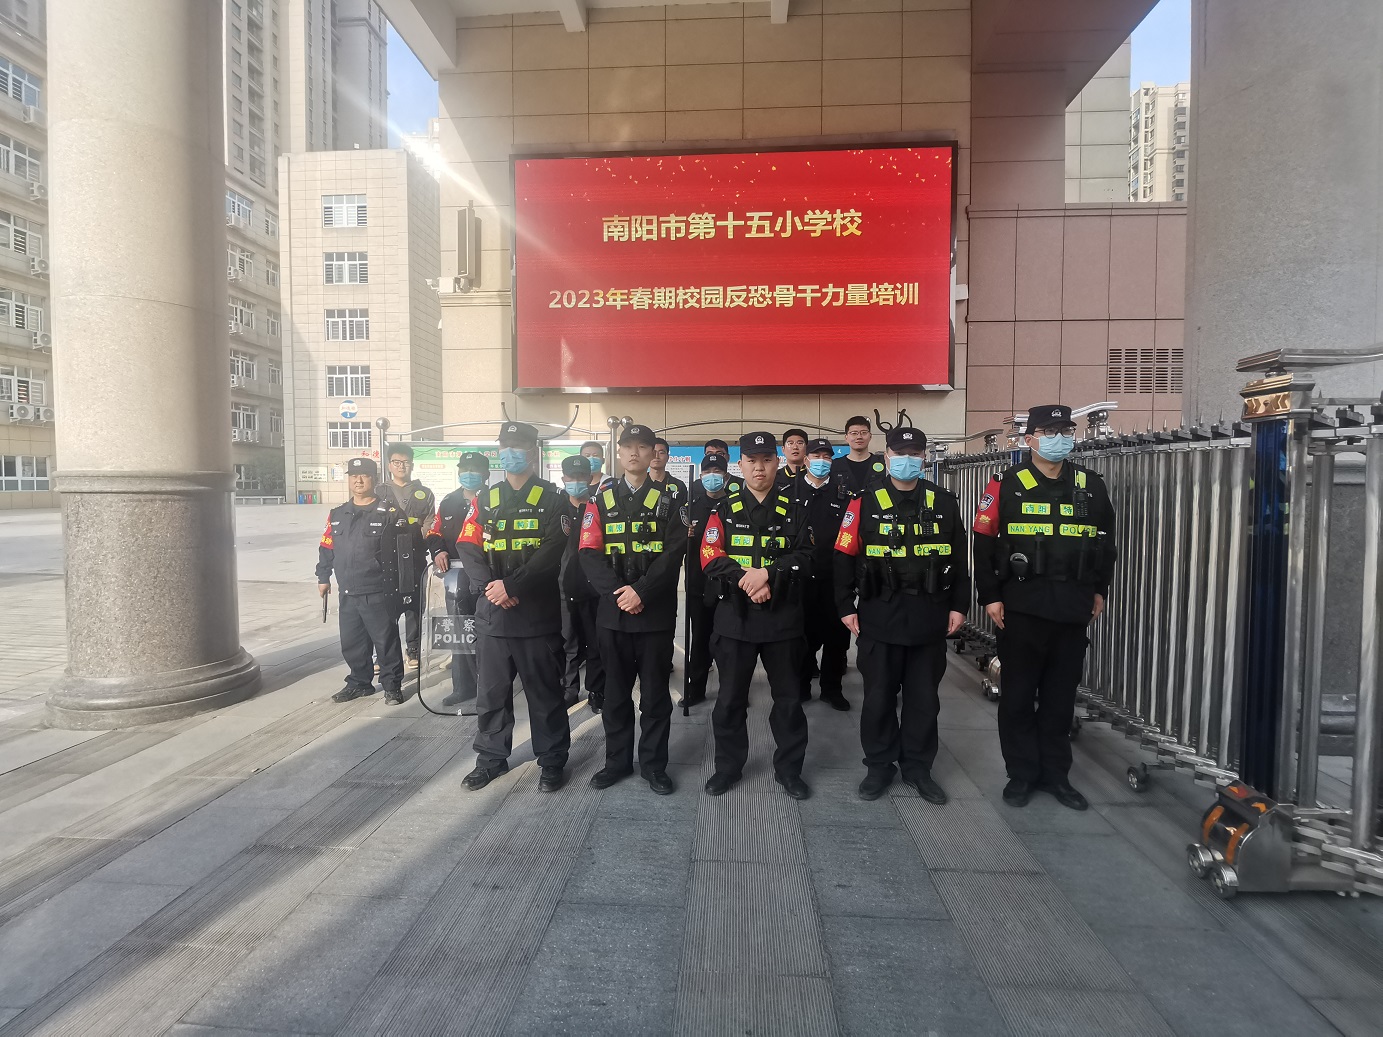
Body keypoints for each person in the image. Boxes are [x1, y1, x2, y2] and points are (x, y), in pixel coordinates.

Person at [973, 404, 1117, 811]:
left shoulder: (1091, 484)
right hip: (1021, 608)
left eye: (1065, 431)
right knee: (1017, 697)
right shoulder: (1004, 484)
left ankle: (1056, 776)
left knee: (1059, 699)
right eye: (1049, 432)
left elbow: (1105, 542)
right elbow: (983, 545)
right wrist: (990, 596)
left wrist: (1100, 590)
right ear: (1029, 439)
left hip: (1072, 607)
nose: (1059, 438)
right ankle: (1021, 774)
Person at [835, 426, 970, 802]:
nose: (907, 459)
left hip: (929, 615)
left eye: (915, 453)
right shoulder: (863, 502)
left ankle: (918, 767)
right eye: (900, 453)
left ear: (924, 458)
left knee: (924, 699)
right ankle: (879, 766)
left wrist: (959, 605)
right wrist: (844, 606)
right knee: (878, 697)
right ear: (887, 457)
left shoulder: (943, 501)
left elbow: (960, 558)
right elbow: (843, 556)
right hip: (880, 613)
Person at [456, 421, 572, 793]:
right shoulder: (486, 499)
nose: (511, 453)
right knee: (491, 695)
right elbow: (467, 545)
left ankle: (552, 760)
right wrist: (492, 588)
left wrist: (512, 585)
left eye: (518, 446)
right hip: (493, 615)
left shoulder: (554, 499)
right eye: (505, 447)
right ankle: (491, 760)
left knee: (545, 695)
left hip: (535, 616)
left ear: (533, 451)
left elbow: (551, 552)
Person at [700, 432, 813, 800]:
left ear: (777, 463)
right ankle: (727, 768)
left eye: (766, 459)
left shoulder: (796, 508)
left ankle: (789, 770)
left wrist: (768, 574)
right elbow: (709, 557)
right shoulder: (723, 509)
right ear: (741, 465)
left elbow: (807, 557)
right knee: (729, 701)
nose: (759, 467)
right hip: (735, 620)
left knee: (789, 702)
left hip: (783, 620)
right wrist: (747, 580)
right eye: (751, 460)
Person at [579, 423, 689, 795]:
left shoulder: (671, 500)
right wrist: (619, 594)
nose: (634, 453)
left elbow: (673, 553)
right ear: (619, 452)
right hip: (613, 615)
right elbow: (589, 552)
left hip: (654, 614)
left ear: (652, 453)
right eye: (628, 446)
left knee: (656, 697)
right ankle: (616, 763)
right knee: (615, 695)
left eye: (643, 447)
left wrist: (640, 591)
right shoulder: (600, 499)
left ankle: (654, 766)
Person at [317, 457, 424, 705]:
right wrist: (323, 576)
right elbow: (327, 546)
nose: (358, 480)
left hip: (378, 590)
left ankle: (392, 686)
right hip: (348, 590)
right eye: (353, 476)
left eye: (364, 475)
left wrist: (405, 589)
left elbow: (405, 553)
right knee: (352, 642)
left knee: (385, 641)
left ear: (373, 479)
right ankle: (359, 683)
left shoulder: (390, 513)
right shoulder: (337, 514)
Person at [424, 451, 489, 712]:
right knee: (460, 631)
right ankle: (463, 687)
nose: (469, 474)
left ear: (485, 474)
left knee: (488, 631)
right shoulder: (449, 502)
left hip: (487, 577)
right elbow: (433, 532)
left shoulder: (494, 499)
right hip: (456, 577)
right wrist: (438, 550)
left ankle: (490, 685)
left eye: (474, 469)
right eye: (464, 469)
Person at [796, 437, 851, 711]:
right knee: (802, 636)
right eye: (816, 456)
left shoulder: (845, 496)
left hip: (835, 579)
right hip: (801, 579)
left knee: (837, 637)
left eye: (827, 457)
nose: (821, 461)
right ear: (806, 460)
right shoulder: (791, 492)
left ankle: (832, 689)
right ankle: (801, 686)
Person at [382, 443, 436, 669]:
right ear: (389, 465)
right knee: (385, 606)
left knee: (415, 605)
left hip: (415, 555)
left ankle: (413, 649)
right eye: (396, 462)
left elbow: (430, 522)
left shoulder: (424, 493)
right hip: (386, 559)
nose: (401, 466)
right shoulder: (379, 492)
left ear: (412, 464)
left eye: (405, 462)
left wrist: (415, 537)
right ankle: (383, 652)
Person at [682, 452, 729, 708]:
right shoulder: (691, 505)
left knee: (728, 640)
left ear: (725, 475)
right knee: (699, 638)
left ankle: (732, 691)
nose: (713, 476)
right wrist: (686, 536)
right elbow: (678, 545)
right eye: (708, 472)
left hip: (726, 585)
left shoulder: (733, 505)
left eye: (717, 472)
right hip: (698, 584)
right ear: (700, 476)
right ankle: (696, 688)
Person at [559, 453, 605, 713]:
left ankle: (597, 690)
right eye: (571, 476)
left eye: (581, 476)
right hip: (562, 586)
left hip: (594, 588)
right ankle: (569, 689)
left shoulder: (600, 506)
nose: (576, 481)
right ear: (563, 478)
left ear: (589, 478)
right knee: (567, 641)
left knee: (596, 642)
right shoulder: (556, 508)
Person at [832, 415, 886, 497]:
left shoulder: (883, 463)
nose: (859, 437)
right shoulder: (835, 465)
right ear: (846, 437)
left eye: (864, 433)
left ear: (870, 436)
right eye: (854, 433)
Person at [650, 437, 688, 502]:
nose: (656, 456)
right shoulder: (640, 483)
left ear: (668, 457)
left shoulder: (679, 485)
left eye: (661, 453)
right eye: (653, 452)